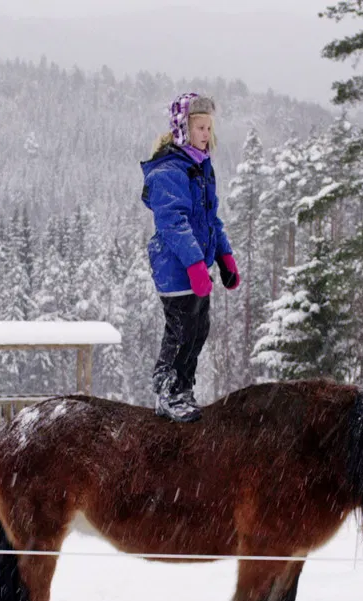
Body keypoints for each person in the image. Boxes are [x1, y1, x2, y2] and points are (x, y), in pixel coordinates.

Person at [139, 92, 240, 422]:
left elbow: (211, 220)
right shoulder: (169, 170)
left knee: (198, 330)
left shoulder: (201, 168)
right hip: (175, 266)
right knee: (180, 330)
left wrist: (225, 258)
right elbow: (173, 223)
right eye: (200, 127)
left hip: (197, 267)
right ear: (183, 128)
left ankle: (183, 389)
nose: (206, 134)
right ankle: (167, 391)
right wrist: (196, 264)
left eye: (209, 128)